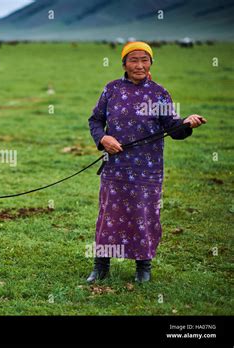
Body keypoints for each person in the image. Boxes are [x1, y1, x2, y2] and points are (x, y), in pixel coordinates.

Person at [87, 41, 206, 283]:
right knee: (109, 214)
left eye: (144, 59)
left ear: (151, 63)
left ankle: (143, 268)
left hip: (147, 170)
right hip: (116, 167)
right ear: (124, 64)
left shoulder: (158, 93)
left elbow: (173, 129)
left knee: (145, 215)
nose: (139, 65)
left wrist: (187, 123)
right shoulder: (111, 90)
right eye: (133, 60)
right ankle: (101, 267)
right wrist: (103, 138)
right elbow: (95, 120)